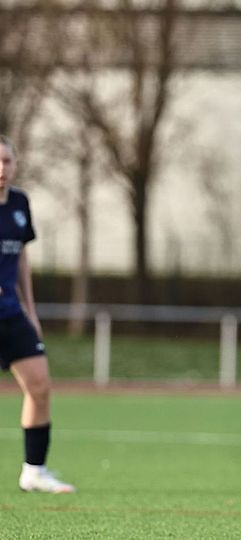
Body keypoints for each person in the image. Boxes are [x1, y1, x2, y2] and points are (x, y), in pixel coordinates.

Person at [0, 135, 75, 493]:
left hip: (11, 312)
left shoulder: (19, 203)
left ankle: (34, 471)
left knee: (40, 386)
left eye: (7, 161)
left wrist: (31, 310)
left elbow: (21, 259)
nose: (2, 169)